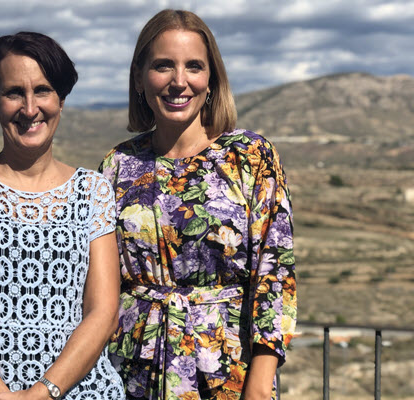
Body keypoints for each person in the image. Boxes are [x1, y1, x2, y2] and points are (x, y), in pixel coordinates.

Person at [99, 10, 296, 400]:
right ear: (139, 78)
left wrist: (260, 381)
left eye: (193, 66)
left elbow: (276, 272)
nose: (179, 81)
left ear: (211, 79)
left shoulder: (249, 156)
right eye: (163, 66)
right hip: (132, 374)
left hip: (227, 374)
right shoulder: (117, 165)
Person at [0, 32, 125, 400]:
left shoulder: (93, 191)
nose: (30, 109)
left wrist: (43, 393)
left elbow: (104, 313)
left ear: (61, 99)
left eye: (42, 91)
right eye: (14, 92)